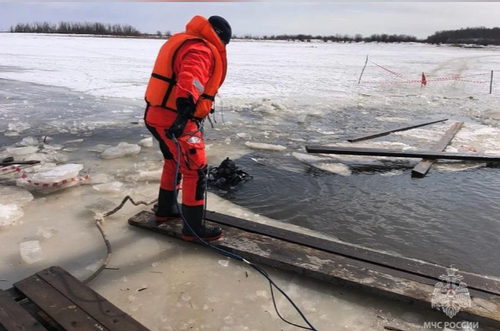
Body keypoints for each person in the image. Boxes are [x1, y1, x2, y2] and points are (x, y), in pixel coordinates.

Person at [143, 15, 231, 242]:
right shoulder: (200, 49)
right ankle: (193, 229)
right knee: (196, 170)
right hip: (176, 118)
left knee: (174, 162)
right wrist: (184, 111)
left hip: (156, 114)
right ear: (219, 37)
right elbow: (191, 78)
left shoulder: (186, 40)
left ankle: (166, 210)